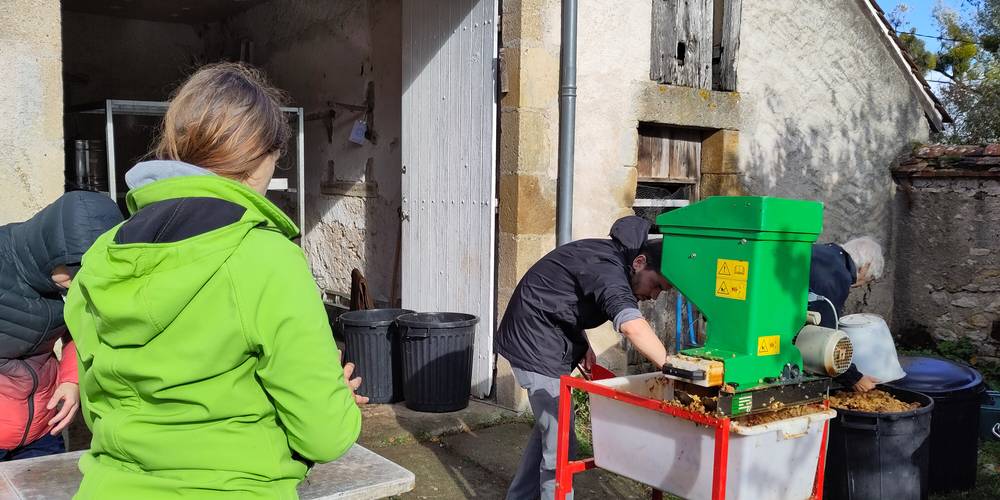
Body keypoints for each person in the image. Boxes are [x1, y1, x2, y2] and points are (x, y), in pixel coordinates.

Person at [64, 63, 364, 499]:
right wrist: (334, 400)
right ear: (259, 159)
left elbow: (99, 408)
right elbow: (324, 435)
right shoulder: (266, 258)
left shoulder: (102, 255)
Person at [496, 216, 671, 500]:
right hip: (534, 342)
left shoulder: (609, 258)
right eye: (657, 286)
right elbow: (631, 325)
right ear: (639, 262)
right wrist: (673, 368)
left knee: (552, 432)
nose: (655, 295)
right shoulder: (608, 268)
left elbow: (564, 296)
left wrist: (583, 343)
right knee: (562, 446)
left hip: (548, 334)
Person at [0, 191, 122, 461]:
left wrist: (71, 381)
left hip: (42, 430)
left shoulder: (67, 283)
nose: (83, 279)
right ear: (50, 249)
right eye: (75, 267)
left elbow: (79, 330)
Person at [809, 236, 885, 392]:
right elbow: (824, 336)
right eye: (868, 279)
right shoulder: (836, 274)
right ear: (865, 266)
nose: (859, 285)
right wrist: (854, 377)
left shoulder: (823, 252)